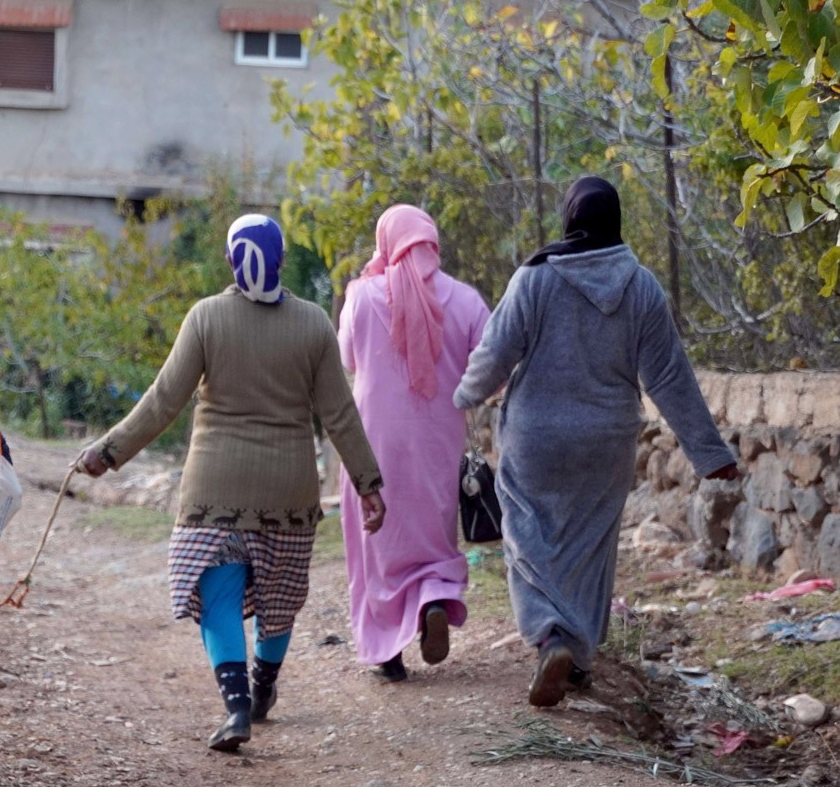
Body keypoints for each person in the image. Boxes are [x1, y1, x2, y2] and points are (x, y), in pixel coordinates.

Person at [76, 214, 385, 752]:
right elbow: (339, 414)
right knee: (279, 597)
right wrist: (368, 483)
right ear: (283, 260)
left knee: (218, 591)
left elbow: (163, 400)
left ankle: (237, 706)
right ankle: (264, 686)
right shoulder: (312, 323)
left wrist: (108, 452)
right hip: (289, 490)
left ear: (229, 260)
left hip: (213, 488)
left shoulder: (206, 318)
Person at [453, 177, 738, 707]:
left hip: (535, 437)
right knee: (590, 547)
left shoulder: (534, 278)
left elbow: (496, 353)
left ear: (569, 217)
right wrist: (710, 455)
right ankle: (578, 658)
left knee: (527, 539)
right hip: (606, 439)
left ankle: (552, 637)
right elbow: (669, 378)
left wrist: (465, 395)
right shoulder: (643, 287)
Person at [337, 204, 491, 682]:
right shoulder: (464, 300)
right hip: (438, 440)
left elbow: (346, 359)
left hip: (371, 439)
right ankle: (430, 603)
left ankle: (387, 650)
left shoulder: (361, 296)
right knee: (431, 530)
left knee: (375, 539)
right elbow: (492, 368)